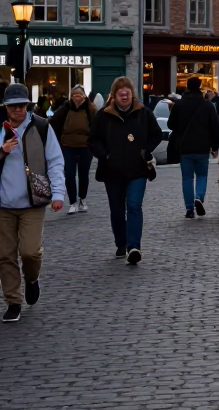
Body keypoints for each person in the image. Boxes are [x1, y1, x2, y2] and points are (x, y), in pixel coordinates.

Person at [0, 84, 65, 323]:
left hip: (32, 201)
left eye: (22, 105)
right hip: (3, 204)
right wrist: (2, 150)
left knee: (29, 252)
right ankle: (13, 301)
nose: (18, 110)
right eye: (13, 106)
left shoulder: (41, 127)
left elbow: (55, 162)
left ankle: (31, 278)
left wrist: (58, 194)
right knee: (5, 255)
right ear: (6, 107)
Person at [89, 76, 161, 265]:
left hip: (137, 170)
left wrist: (146, 151)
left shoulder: (143, 113)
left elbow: (156, 134)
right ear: (114, 96)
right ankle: (121, 242)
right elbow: (93, 140)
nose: (124, 97)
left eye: (127, 94)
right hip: (112, 170)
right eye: (121, 95)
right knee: (117, 209)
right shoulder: (103, 115)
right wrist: (105, 155)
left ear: (132, 95)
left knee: (135, 206)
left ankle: (133, 246)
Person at [167, 76, 219, 220]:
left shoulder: (179, 104)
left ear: (187, 86)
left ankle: (189, 208)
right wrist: (215, 146)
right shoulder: (208, 105)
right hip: (203, 147)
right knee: (202, 175)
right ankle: (199, 197)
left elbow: (170, 125)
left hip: (185, 147)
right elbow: (215, 128)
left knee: (187, 178)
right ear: (200, 86)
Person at [51, 84, 96, 214]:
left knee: (83, 175)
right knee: (69, 174)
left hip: (85, 146)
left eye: (79, 95)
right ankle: (72, 202)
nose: (77, 97)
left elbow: (97, 126)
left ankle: (82, 199)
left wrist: (93, 143)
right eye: (74, 95)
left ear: (84, 96)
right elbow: (54, 122)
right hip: (67, 146)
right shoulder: (65, 108)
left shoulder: (90, 109)